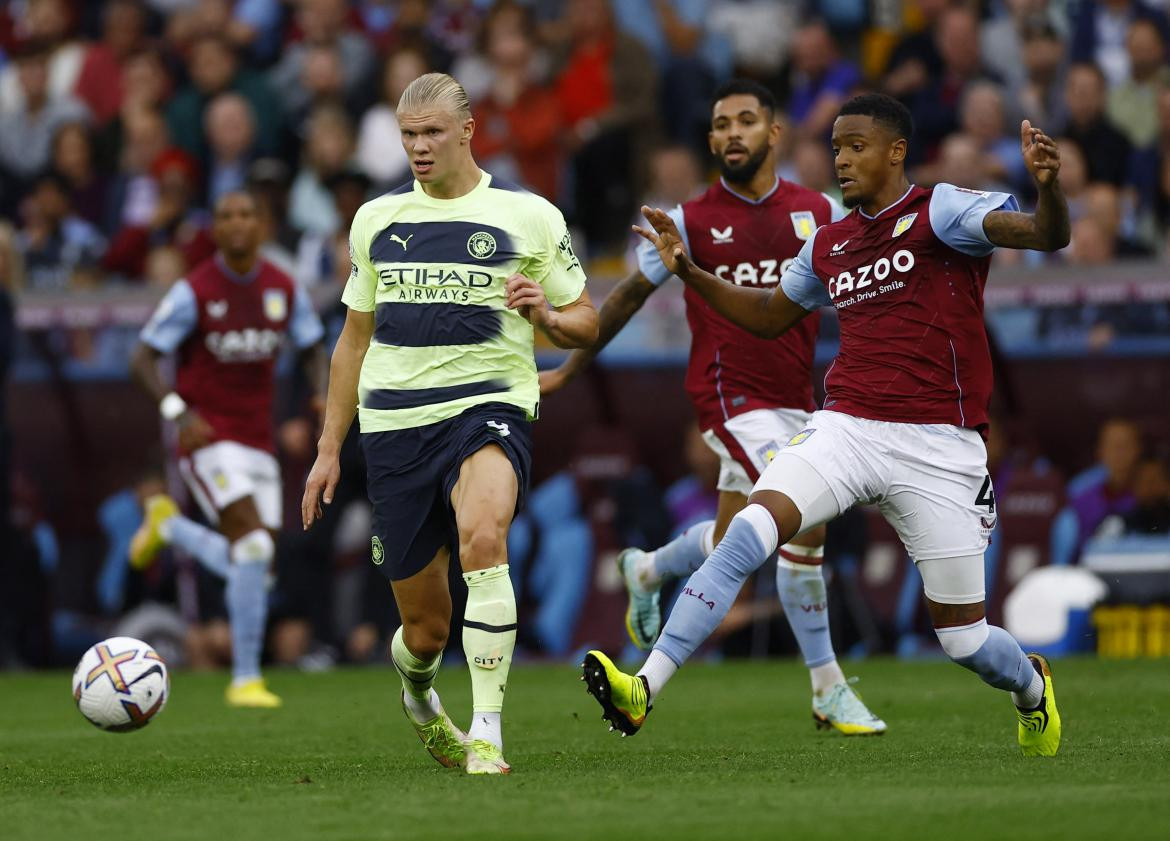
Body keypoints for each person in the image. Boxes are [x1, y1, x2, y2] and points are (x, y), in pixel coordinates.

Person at [585, 93, 1070, 758]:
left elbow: (1047, 235)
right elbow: (765, 316)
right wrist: (689, 271)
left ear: (896, 151)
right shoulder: (830, 243)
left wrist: (1048, 191)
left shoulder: (942, 210)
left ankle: (1030, 688)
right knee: (749, 532)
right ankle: (644, 685)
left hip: (939, 448)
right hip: (847, 428)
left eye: (857, 146)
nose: (841, 159)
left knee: (964, 639)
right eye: (836, 147)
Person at [542, 79, 885, 735]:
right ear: (710, 140)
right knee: (799, 525)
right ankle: (827, 686)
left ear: (774, 134)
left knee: (736, 540)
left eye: (747, 121)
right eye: (721, 124)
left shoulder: (819, 211)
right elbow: (623, 301)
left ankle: (648, 568)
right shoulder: (688, 223)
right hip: (730, 397)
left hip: (795, 400)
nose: (733, 133)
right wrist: (571, 366)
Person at [301, 73, 597, 776]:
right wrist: (328, 447)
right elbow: (352, 340)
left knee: (485, 536)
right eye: (408, 135)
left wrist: (549, 317)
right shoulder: (377, 219)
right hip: (396, 427)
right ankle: (419, 692)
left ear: (468, 130)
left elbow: (585, 316)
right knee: (425, 630)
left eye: (432, 132)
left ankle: (487, 732)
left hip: (488, 406)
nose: (419, 147)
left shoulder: (529, 215)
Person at [127, 190, 327, 708]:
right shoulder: (195, 290)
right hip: (206, 438)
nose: (237, 223)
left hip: (258, 443)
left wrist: (323, 391)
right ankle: (245, 680)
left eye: (246, 214)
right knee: (254, 550)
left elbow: (311, 346)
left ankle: (168, 525)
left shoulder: (283, 288)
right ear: (214, 228)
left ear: (262, 224)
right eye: (225, 216)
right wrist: (177, 411)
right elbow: (142, 357)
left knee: (257, 563)